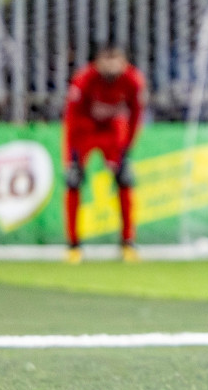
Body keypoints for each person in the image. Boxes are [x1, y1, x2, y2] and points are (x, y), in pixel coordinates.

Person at [61, 45, 146, 263]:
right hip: (85, 131)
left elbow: (136, 115)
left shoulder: (133, 80)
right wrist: (70, 157)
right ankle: (73, 245)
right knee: (73, 180)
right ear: (97, 62)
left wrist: (127, 148)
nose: (111, 66)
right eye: (106, 61)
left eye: (115, 60)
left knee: (125, 179)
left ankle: (128, 242)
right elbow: (71, 119)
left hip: (113, 132)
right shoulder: (84, 80)